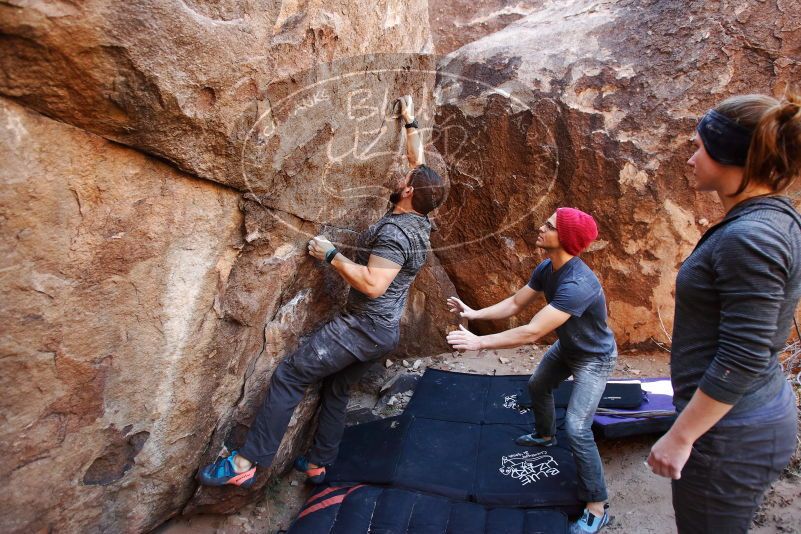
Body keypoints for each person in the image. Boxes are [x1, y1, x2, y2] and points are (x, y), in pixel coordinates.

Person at [198, 95, 446, 488]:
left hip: (363, 327)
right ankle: (318, 463)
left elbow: (373, 284)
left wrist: (330, 255)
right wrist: (410, 121)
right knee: (338, 387)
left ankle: (246, 463)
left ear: (410, 193)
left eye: (405, 181)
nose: (400, 177)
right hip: (385, 332)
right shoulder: (422, 220)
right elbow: (418, 164)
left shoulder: (396, 233)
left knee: (292, 374)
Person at [647, 93, 801, 533]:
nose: (691, 158)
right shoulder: (774, 218)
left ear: (734, 158)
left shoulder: (749, 237)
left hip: (729, 433)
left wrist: (681, 436)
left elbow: (744, 354)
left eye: (700, 146)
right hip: (744, 418)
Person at [447, 207, 617, 533]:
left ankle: (597, 506)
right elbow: (514, 303)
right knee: (538, 386)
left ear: (564, 239)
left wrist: (480, 344)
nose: (541, 227)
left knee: (579, 429)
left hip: (594, 358)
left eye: (549, 226)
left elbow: (531, 332)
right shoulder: (547, 267)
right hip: (568, 347)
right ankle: (544, 434)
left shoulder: (578, 284)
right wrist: (474, 312)